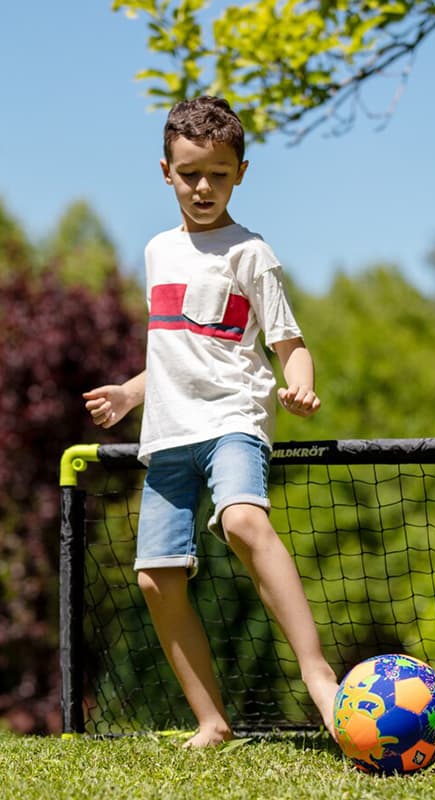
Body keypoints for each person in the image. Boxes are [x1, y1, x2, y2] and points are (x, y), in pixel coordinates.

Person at [83, 96, 339, 748]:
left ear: (241, 173)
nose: (204, 187)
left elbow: (290, 344)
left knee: (243, 519)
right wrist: (131, 393)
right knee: (155, 577)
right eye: (191, 172)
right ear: (165, 171)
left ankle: (319, 677)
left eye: (219, 174)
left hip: (233, 417)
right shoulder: (157, 252)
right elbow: (175, 349)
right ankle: (212, 720)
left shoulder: (251, 253)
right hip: (168, 431)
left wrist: (299, 388)